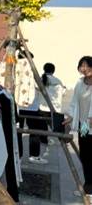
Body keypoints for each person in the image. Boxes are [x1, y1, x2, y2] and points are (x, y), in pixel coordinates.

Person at [64, 56, 92, 199]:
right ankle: (88, 188)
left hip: (89, 124)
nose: (84, 68)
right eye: (82, 65)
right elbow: (74, 101)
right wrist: (69, 117)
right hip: (84, 126)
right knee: (85, 156)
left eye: (87, 65)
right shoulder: (80, 83)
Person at [27, 63, 66, 164]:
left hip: (41, 109)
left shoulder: (39, 80)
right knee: (56, 132)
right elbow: (63, 93)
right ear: (53, 71)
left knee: (39, 130)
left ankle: (37, 153)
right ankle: (41, 151)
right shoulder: (58, 81)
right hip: (54, 111)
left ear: (44, 69)